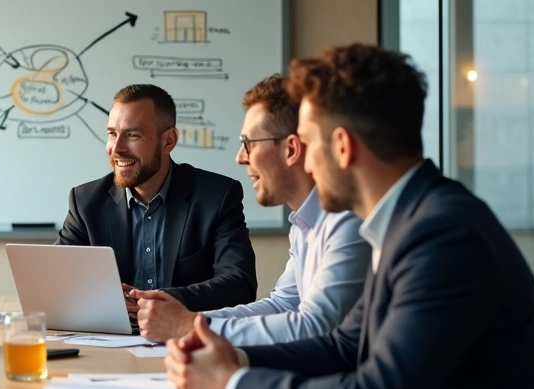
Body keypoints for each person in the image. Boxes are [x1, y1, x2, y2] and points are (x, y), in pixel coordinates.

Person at [165, 44, 534, 389]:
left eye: (309, 143)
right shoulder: (407, 219)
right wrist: (234, 358)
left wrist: (228, 387)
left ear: (342, 147)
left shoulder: (443, 234)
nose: (306, 162)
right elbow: (344, 346)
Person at [134, 74, 369, 345]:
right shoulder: (305, 223)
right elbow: (283, 304)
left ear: (291, 149)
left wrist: (189, 327)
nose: (240, 157)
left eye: (248, 143)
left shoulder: (348, 221)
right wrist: (192, 322)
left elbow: (316, 325)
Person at [57, 83, 257, 313]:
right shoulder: (85, 202)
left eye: (132, 135)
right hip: (111, 340)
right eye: (112, 134)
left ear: (168, 140)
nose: (117, 148)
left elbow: (240, 284)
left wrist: (161, 300)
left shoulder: (217, 197)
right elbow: (57, 281)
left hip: (185, 339)